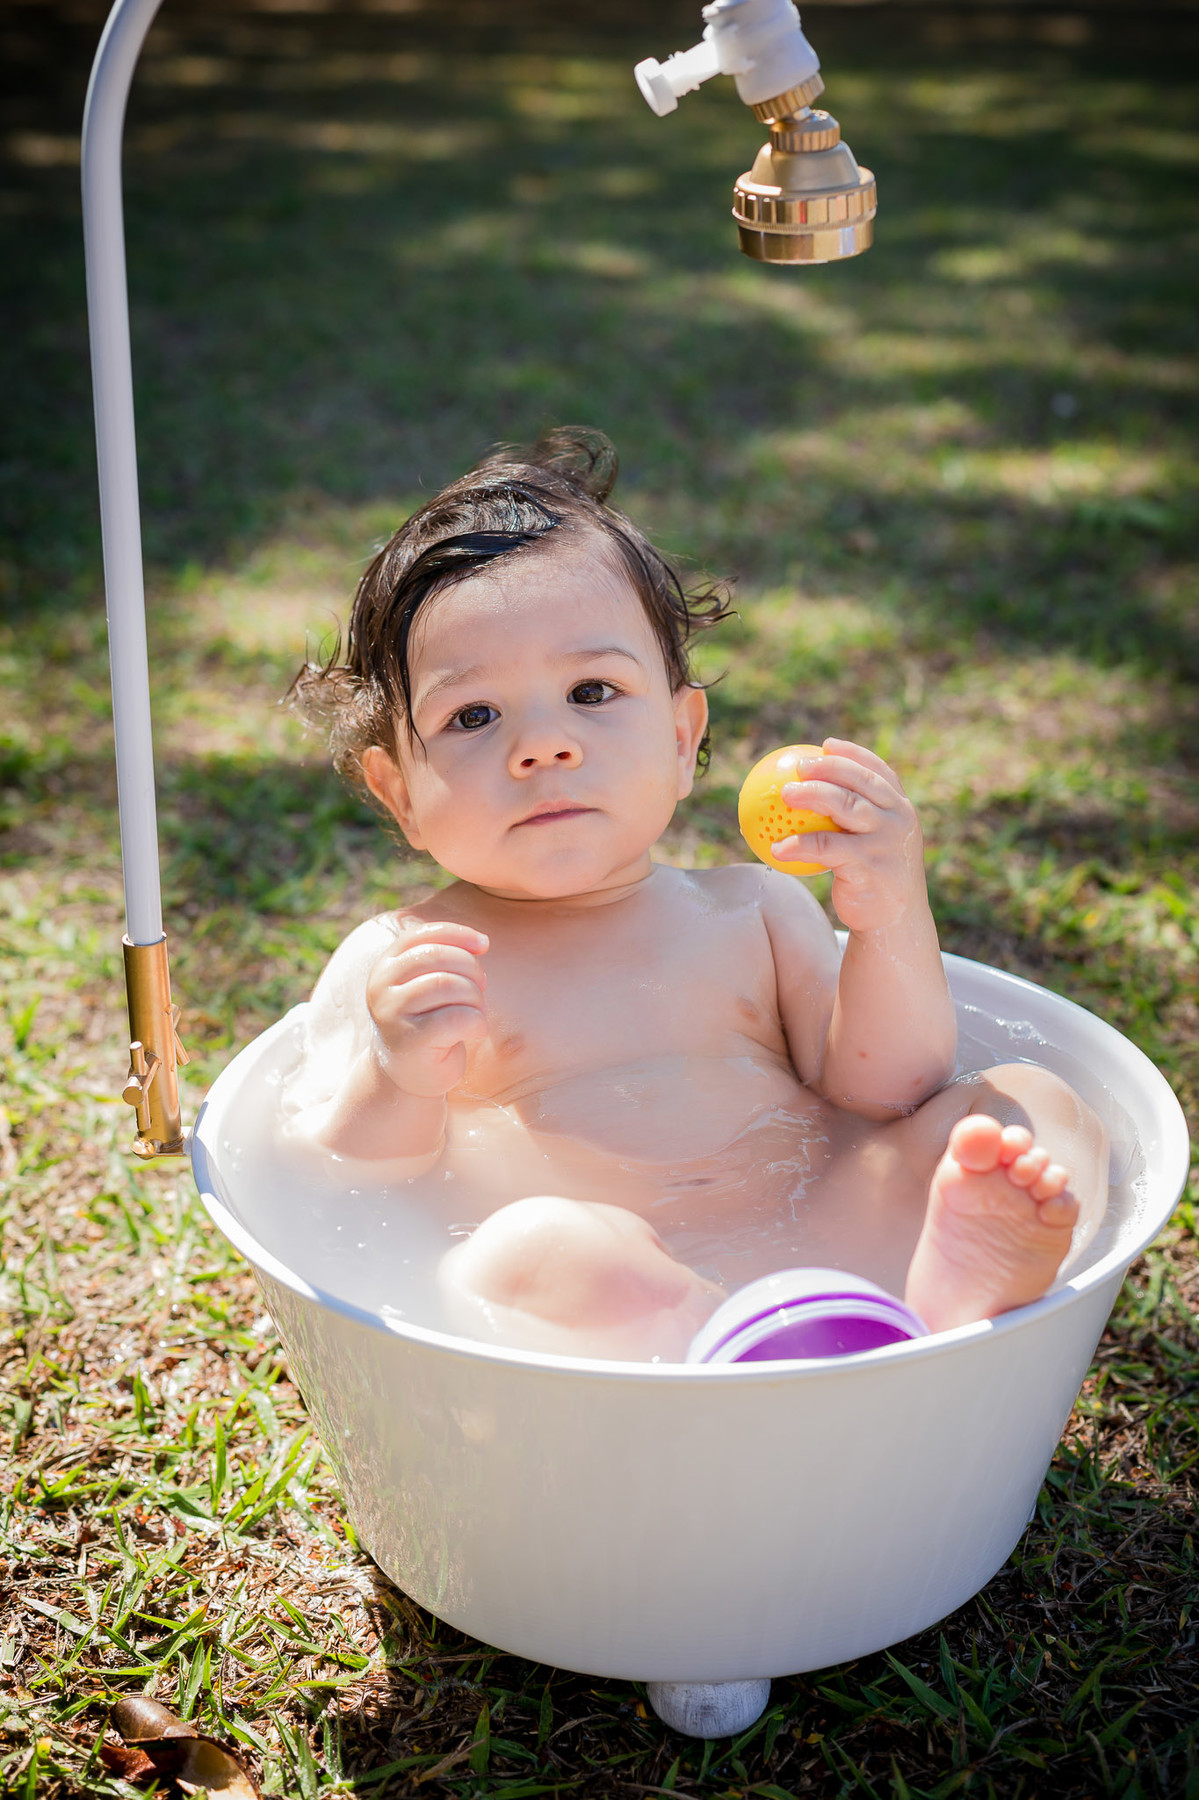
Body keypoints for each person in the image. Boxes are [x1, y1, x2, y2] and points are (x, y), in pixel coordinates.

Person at [286, 429, 1107, 1361]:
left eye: (591, 691)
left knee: (1027, 1107)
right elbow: (344, 1174)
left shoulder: (750, 912)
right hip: (622, 1300)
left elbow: (884, 1094)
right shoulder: (404, 961)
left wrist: (888, 914)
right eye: (473, 715)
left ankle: (949, 1296)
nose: (543, 745)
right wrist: (396, 1074)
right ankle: (731, 1352)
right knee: (531, 1252)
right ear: (400, 793)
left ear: (681, 740)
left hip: (831, 1237)